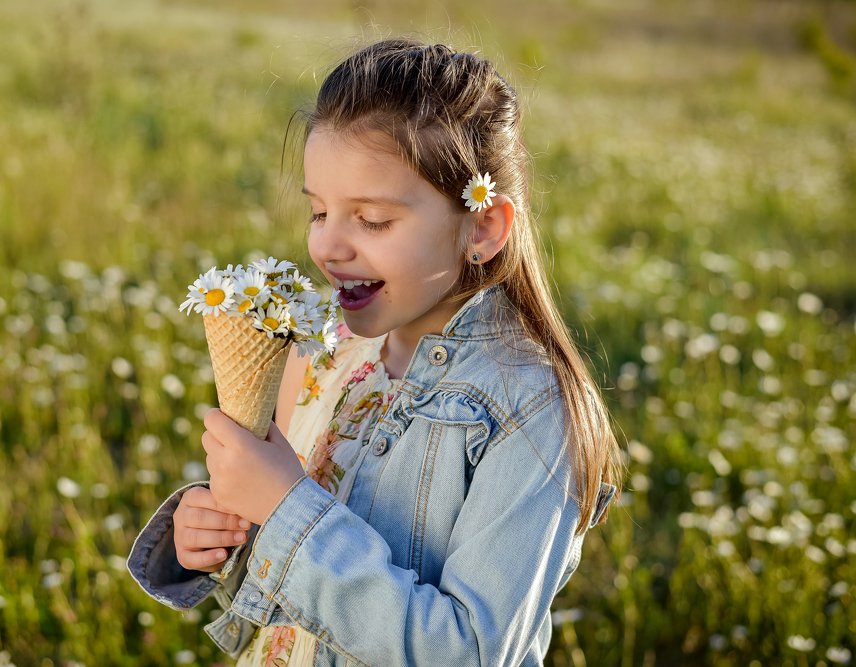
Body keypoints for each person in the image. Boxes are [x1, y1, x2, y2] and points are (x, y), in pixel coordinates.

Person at [128, 38, 622, 666]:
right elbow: (282, 564)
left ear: (481, 228)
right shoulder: (321, 353)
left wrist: (285, 510)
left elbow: (470, 653)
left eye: (373, 220)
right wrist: (219, 535)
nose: (328, 247)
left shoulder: (529, 409)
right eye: (318, 211)